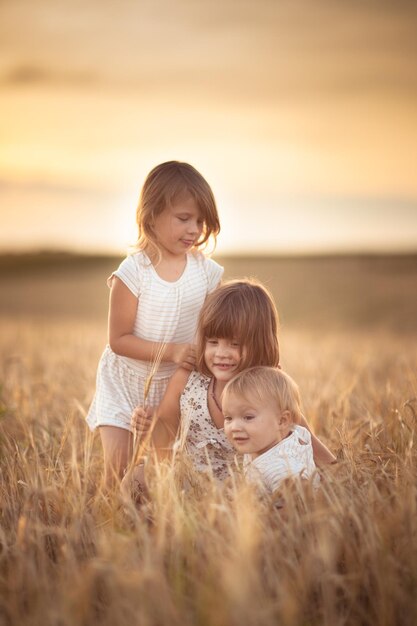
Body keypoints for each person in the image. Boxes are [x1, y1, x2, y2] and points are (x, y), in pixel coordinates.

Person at [86, 161, 223, 486]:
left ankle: (151, 531)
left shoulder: (206, 273)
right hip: (126, 382)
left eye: (201, 221)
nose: (194, 229)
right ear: (151, 215)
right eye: (184, 218)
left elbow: (216, 332)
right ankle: (104, 525)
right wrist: (172, 350)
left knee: (158, 476)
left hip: (176, 384)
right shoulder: (134, 273)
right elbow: (119, 339)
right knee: (118, 471)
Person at [131, 280, 335, 488]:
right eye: (213, 342)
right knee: (135, 479)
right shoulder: (188, 380)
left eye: (234, 344)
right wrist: (150, 426)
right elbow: (165, 440)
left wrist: (344, 479)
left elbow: (309, 443)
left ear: (260, 342)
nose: (221, 354)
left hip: (248, 492)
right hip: (192, 485)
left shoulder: (269, 388)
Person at [222, 366, 320, 494]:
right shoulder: (262, 443)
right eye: (228, 418)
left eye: (248, 417)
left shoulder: (281, 466)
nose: (234, 427)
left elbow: (298, 501)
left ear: (282, 421)